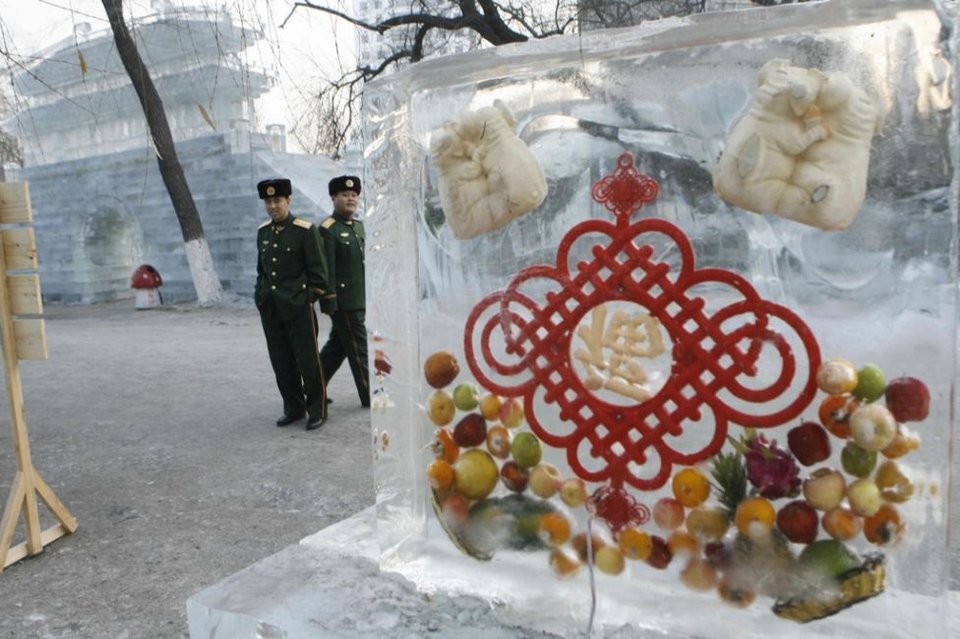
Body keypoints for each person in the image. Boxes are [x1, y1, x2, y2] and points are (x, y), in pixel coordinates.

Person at [254, 178, 336, 430]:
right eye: (268, 202)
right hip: (271, 309)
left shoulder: (304, 230)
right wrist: (260, 296)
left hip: (298, 309)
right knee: (281, 362)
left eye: (277, 200)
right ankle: (293, 408)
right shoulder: (263, 232)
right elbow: (262, 272)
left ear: (288, 200)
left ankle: (317, 410)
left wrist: (306, 299)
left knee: (307, 362)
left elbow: (319, 275)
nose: (273, 206)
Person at [318, 175, 370, 408]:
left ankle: (312, 389)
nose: (351, 199)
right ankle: (370, 395)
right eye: (345, 195)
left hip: (358, 297)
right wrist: (328, 300)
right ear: (333, 198)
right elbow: (326, 268)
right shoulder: (328, 229)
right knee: (359, 348)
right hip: (343, 301)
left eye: (354, 195)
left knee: (337, 348)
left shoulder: (359, 227)